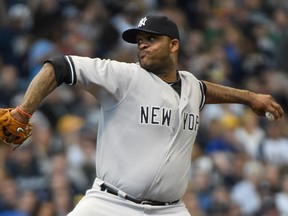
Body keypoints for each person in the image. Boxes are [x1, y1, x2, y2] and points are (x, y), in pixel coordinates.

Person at [5, 14, 284, 216]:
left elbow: (205, 90)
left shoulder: (190, 86)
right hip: (110, 205)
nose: (142, 45)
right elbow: (59, 66)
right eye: (139, 40)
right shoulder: (124, 77)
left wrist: (249, 97)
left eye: (151, 39)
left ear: (174, 45)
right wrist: (23, 111)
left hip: (171, 210)